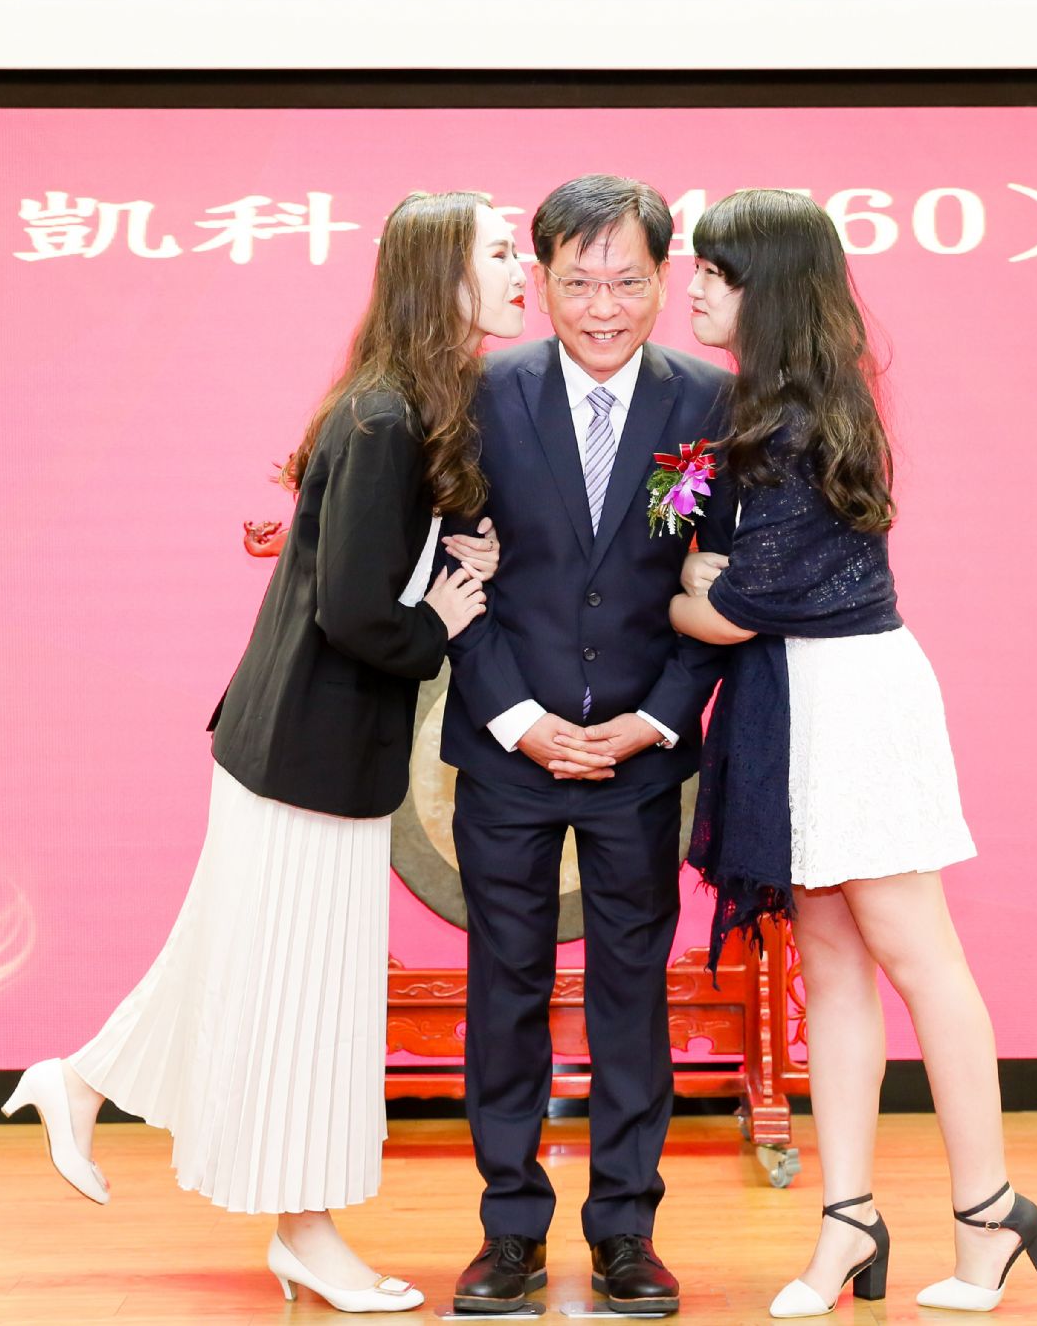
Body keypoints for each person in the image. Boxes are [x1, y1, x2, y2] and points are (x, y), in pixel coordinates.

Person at [1, 190, 526, 1314]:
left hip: (298, 745)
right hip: (308, 753)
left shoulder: (398, 406)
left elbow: (366, 574)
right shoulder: (384, 418)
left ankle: (77, 1082)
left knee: (233, 958)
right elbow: (356, 611)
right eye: (498, 251)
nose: (519, 269)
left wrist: (451, 567)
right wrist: (443, 619)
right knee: (306, 999)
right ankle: (305, 1232)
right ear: (441, 272)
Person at [669, 189, 1037, 1317]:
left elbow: (732, 606)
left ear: (771, 290)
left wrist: (695, 590)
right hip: (791, 707)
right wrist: (705, 590)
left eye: (716, 272)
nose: (694, 288)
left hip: (848, 704)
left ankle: (988, 1210)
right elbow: (734, 600)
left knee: (919, 957)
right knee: (830, 966)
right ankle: (847, 1220)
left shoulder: (804, 420)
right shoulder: (760, 411)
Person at [437, 175, 734, 1317]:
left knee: (629, 993)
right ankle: (508, 1228)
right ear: (541, 278)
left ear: (663, 279)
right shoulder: (478, 395)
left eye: (625, 282)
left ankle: (625, 1231)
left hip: (639, 758)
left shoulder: (708, 404)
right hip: (507, 751)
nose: (601, 307)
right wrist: (520, 720)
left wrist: (654, 720)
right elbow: (452, 575)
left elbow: (717, 585)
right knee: (503, 987)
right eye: (577, 282)